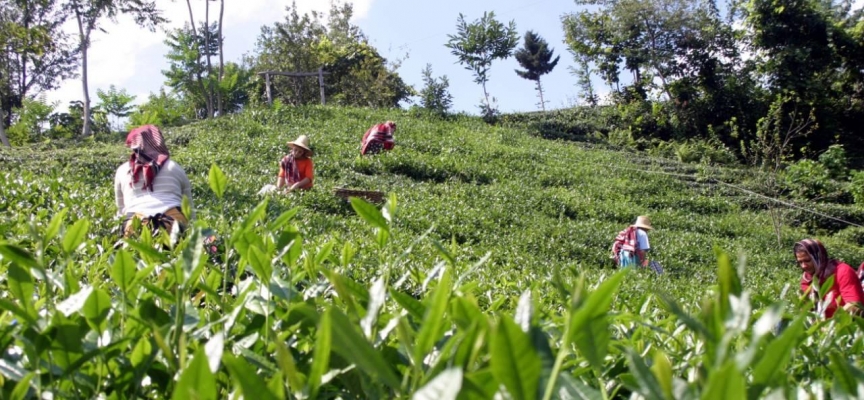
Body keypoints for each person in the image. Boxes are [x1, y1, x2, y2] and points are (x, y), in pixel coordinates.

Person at [115, 125, 193, 238]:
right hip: (173, 223)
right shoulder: (175, 167)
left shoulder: (122, 170)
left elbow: (121, 211)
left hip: (135, 224)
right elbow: (189, 207)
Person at [795, 238, 864, 318]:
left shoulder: (842, 271)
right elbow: (808, 309)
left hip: (845, 325)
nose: (803, 266)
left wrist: (830, 325)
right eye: (800, 262)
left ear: (818, 257)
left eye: (807, 260)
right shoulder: (807, 279)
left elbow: (854, 305)